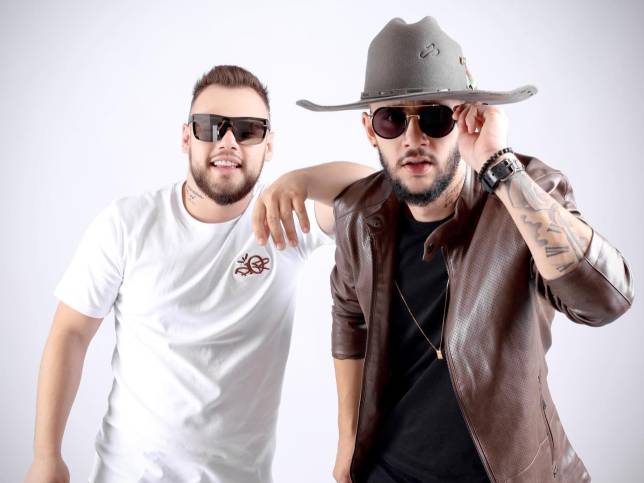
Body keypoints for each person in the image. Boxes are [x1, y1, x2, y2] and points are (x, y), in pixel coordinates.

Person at [296, 17, 634, 483]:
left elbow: (605, 301)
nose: (413, 139)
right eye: (392, 118)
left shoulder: (523, 193)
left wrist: (499, 167)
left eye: (435, 117)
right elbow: (350, 317)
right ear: (370, 130)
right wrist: (347, 439)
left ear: (465, 118)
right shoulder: (360, 215)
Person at [24, 64, 372, 483]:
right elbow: (70, 333)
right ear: (186, 137)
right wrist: (46, 456)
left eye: (248, 130)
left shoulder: (285, 220)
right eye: (210, 126)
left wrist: (304, 179)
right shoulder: (128, 223)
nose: (228, 141)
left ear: (269, 145)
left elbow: (375, 189)